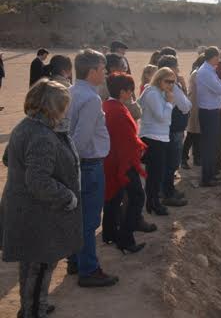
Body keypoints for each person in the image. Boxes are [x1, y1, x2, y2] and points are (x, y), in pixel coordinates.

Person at [0, 80, 82, 317]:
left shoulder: (28, 126)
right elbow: (38, 181)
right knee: (39, 266)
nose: (66, 111)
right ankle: (34, 310)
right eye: (64, 106)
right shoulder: (42, 135)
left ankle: (35, 305)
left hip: (30, 210)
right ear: (52, 107)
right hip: (37, 214)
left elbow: (9, 159)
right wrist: (66, 196)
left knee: (33, 265)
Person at [67, 49, 118, 287]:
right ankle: (88, 269)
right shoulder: (91, 98)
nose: (105, 72)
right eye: (102, 68)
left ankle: (76, 261)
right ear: (91, 71)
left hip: (79, 165)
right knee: (88, 221)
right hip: (88, 165)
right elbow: (81, 138)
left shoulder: (71, 91)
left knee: (77, 218)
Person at [101, 73, 147, 253]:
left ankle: (110, 233)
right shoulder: (119, 111)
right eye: (130, 91)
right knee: (136, 197)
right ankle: (126, 239)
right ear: (123, 92)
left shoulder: (107, 105)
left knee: (114, 198)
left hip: (110, 160)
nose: (131, 94)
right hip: (123, 163)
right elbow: (127, 141)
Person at [138, 67, 176, 215]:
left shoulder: (157, 92)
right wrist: (169, 103)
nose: (171, 85)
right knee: (154, 175)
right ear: (159, 79)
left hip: (159, 137)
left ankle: (152, 203)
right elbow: (162, 117)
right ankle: (153, 204)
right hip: (153, 138)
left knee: (156, 174)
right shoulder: (153, 93)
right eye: (168, 81)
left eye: (173, 82)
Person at [156, 55, 191, 206]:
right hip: (174, 129)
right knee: (171, 163)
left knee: (166, 162)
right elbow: (185, 106)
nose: (178, 70)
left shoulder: (158, 84)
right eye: (177, 67)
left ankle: (165, 190)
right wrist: (182, 86)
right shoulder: (172, 86)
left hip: (166, 128)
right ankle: (168, 194)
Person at [196, 47, 221, 186]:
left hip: (211, 111)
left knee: (211, 145)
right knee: (209, 146)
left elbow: (220, 87)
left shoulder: (208, 69)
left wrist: (220, 85)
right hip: (209, 112)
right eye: (218, 57)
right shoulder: (205, 72)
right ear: (213, 57)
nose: (219, 59)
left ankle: (210, 174)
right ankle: (206, 178)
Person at [183, 55, 206, 169]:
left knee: (197, 134)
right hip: (195, 106)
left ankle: (196, 157)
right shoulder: (197, 73)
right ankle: (184, 158)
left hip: (198, 105)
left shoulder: (198, 72)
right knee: (192, 134)